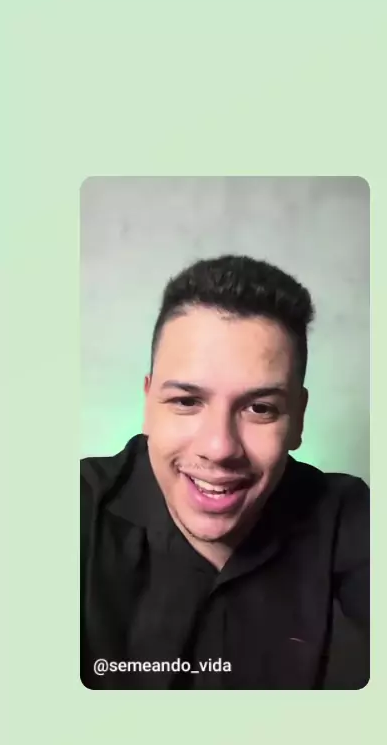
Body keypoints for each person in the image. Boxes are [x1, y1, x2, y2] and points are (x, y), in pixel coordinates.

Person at [81, 254, 369, 689]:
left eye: (260, 408)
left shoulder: (349, 519)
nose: (219, 449)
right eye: (186, 401)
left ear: (298, 417)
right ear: (148, 403)